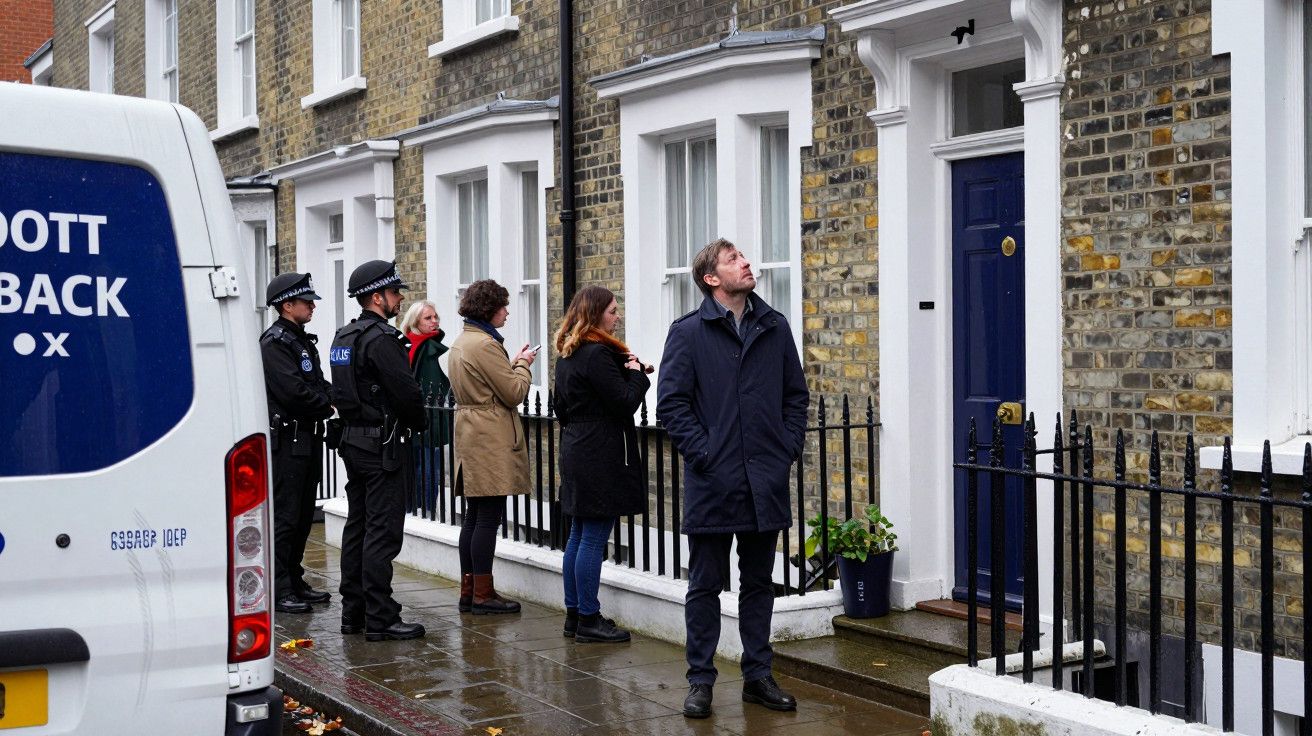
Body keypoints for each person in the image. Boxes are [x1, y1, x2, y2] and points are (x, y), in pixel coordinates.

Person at [656, 238, 809, 718]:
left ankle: (758, 676)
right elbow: (671, 406)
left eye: (743, 257)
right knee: (704, 585)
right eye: (734, 259)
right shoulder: (687, 333)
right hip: (713, 480)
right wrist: (704, 453)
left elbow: (795, 397)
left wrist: (785, 449)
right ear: (712, 278)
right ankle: (700, 680)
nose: (747, 263)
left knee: (759, 583)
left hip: (764, 479)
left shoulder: (774, 326)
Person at [329, 260, 428, 641]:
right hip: (380, 445)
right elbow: (406, 392)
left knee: (358, 527)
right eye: (395, 293)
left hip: (353, 440)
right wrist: (418, 423)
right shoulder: (381, 339)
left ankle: (352, 613)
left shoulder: (343, 337)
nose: (400, 299)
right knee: (381, 533)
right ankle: (381, 617)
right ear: (377, 296)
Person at [552, 286, 652, 643]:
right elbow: (625, 401)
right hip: (599, 452)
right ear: (595, 314)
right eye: (612, 310)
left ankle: (574, 615)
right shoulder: (596, 354)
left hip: (577, 446)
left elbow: (560, 408)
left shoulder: (568, 354)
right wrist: (639, 373)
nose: (617, 316)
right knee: (592, 538)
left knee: (578, 535)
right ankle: (590, 620)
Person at [446, 279, 536, 615]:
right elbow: (513, 392)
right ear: (489, 308)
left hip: (471, 432)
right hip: (489, 436)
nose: (507, 312)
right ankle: (483, 595)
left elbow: (492, 384)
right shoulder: (484, 344)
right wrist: (524, 363)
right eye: (503, 306)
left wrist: (510, 365)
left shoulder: (462, 341)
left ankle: (470, 589)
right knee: (487, 518)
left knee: (474, 517)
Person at [260, 272, 335, 615]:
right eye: (307, 301)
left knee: (304, 515)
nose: (313, 305)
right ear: (287, 305)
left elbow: (317, 383)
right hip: (287, 440)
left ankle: (294, 577)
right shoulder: (275, 342)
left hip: (306, 437)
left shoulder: (300, 341)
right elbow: (293, 392)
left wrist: (341, 398)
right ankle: (279, 587)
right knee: (286, 516)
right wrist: (329, 406)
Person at [401, 300, 451, 511]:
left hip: (410, 419)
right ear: (415, 322)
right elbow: (437, 387)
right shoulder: (430, 349)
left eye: (435, 316)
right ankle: (425, 512)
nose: (435, 321)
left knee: (415, 469)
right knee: (430, 470)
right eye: (428, 318)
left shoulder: (408, 345)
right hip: (429, 421)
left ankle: (415, 511)